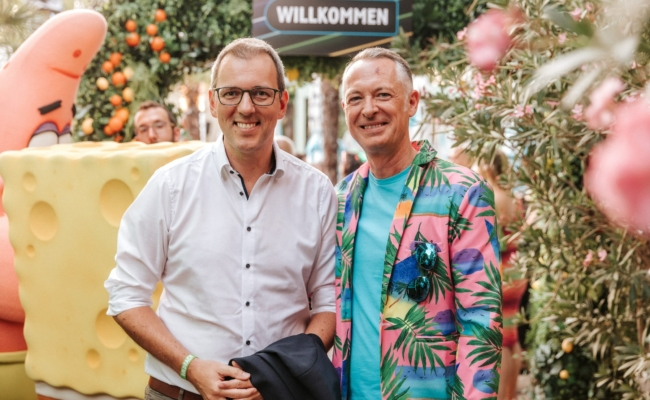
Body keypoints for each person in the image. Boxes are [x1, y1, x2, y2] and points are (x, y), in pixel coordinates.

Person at [105, 38, 337, 400]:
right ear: (213, 102)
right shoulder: (170, 187)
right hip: (179, 393)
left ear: (282, 103)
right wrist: (190, 367)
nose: (246, 107)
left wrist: (281, 373)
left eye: (261, 93)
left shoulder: (318, 193)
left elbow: (327, 303)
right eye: (231, 93)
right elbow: (125, 293)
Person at [332, 47, 503, 400]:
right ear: (345, 110)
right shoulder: (339, 200)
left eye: (382, 94)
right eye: (355, 98)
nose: (369, 109)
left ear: (412, 102)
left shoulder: (462, 193)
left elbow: (481, 323)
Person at [478, 152, 527, 400]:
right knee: (512, 333)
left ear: (486, 166)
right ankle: (512, 393)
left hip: (502, 272)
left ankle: (504, 395)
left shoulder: (494, 198)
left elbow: (494, 243)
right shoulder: (514, 198)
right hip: (517, 270)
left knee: (503, 339)